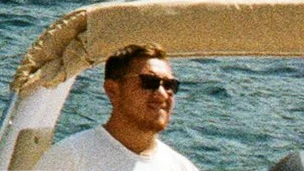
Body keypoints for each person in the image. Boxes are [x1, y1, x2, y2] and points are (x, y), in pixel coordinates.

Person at [38, 45, 197, 169]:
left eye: (170, 85)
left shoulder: (182, 167)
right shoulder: (70, 157)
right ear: (113, 90)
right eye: (149, 82)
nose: (162, 94)